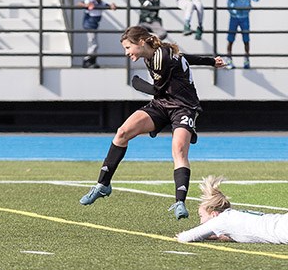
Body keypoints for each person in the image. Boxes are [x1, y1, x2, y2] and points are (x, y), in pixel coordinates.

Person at [79, 26, 225, 219]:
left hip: (184, 107)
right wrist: (210, 61)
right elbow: (184, 58)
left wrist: (136, 83)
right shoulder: (158, 52)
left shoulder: (159, 58)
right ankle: (103, 184)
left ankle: (179, 202)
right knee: (122, 133)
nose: (126, 52)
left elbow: (156, 89)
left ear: (141, 42)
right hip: (162, 104)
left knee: (179, 150)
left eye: (128, 47)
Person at [226, 0, 260, 69]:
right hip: (234, 17)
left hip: (244, 17)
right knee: (230, 39)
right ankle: (229, 59)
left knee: (246, 39)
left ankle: (246, 59)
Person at [76, 0, 117, 69]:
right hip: (89, 25)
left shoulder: (100, 2)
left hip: (94, 25)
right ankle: (88, 61)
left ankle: (93, 60)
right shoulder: (91, 1)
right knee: (93, 43)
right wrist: (86, 5)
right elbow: (78, 3)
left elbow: (107, 5)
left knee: (94, 43)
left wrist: (112, 6)